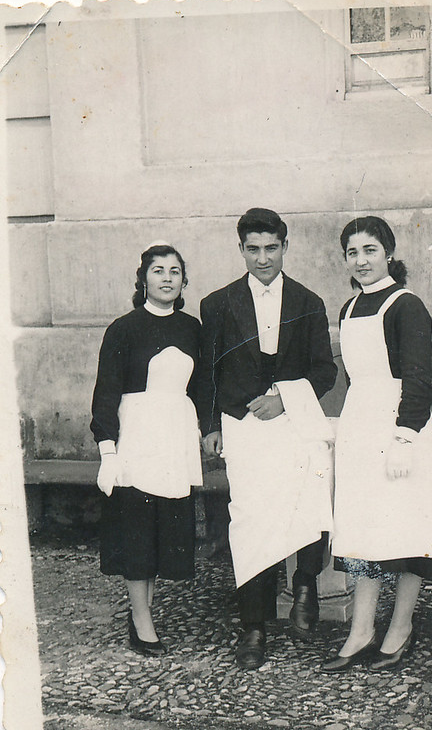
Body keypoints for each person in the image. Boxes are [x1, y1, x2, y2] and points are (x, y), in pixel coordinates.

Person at [198, 208, 337, 670]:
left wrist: (286, 398)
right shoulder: (217, 304)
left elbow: (325, 370)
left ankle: (304, 583)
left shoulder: (308, 300)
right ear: (241, 250)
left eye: (271, 248)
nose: (262, 258)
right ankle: (253, 628)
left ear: (285, 246)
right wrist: (211, 426)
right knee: (252, 522)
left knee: (314, 492)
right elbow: (209, 374)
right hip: (245, 427)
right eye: (253, 249)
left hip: (295, 421)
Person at [323, 216, 432, 673]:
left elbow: (419, 379)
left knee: (405, 531)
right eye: (353, 252)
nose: (361, 260)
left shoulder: (407, 306)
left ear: (388, 253)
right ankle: (361, 630)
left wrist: (404, 437)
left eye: (370, 251)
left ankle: (400, 627)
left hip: (401, 431)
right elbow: (353, 380)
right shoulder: (348, 308)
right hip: (362, 429)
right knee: (364, 531)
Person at [91, 242, 202, 656]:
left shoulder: (193, 328)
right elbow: (106, 392)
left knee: (162, 527)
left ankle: (146, 608)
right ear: (143, 279)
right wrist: (108, 450)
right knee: (137, 527)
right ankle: (141, 621)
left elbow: (201, 386)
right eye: (158, 270)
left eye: (175, 271)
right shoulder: (124, 329)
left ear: (183, 280)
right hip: (136, 435)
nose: (167, 278)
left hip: (174, 438)